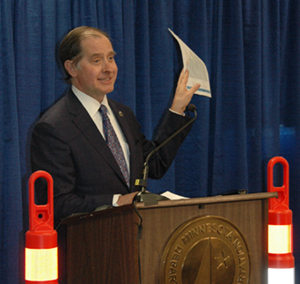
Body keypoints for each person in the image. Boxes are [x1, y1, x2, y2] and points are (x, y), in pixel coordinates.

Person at [30, 26, 200, 225]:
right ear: (72, 68)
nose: (109, 68)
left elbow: (154, 164)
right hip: (89, 245)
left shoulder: (123, 114)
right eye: (96, 60)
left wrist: (177, 109)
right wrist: (116, 202)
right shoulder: (53, 127)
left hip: (135, 240)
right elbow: (56, 204)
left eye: (111, 58)